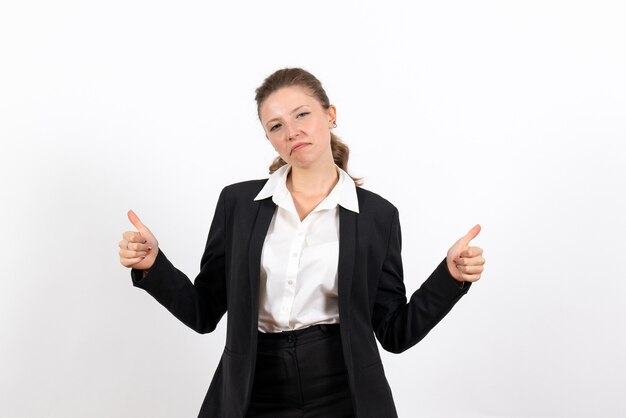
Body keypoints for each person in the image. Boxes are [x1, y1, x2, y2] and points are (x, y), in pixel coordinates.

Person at [118, 67, 485, 418]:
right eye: (276, 126)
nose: (291, 131)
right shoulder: (238, 205)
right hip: (253, 387)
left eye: (302, 115)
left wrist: (450, 278)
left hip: (342, 388)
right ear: (269, 139)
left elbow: (393, 331)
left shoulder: (378, 216)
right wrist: (154, 266)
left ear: (330, 115)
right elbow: (204, 312)